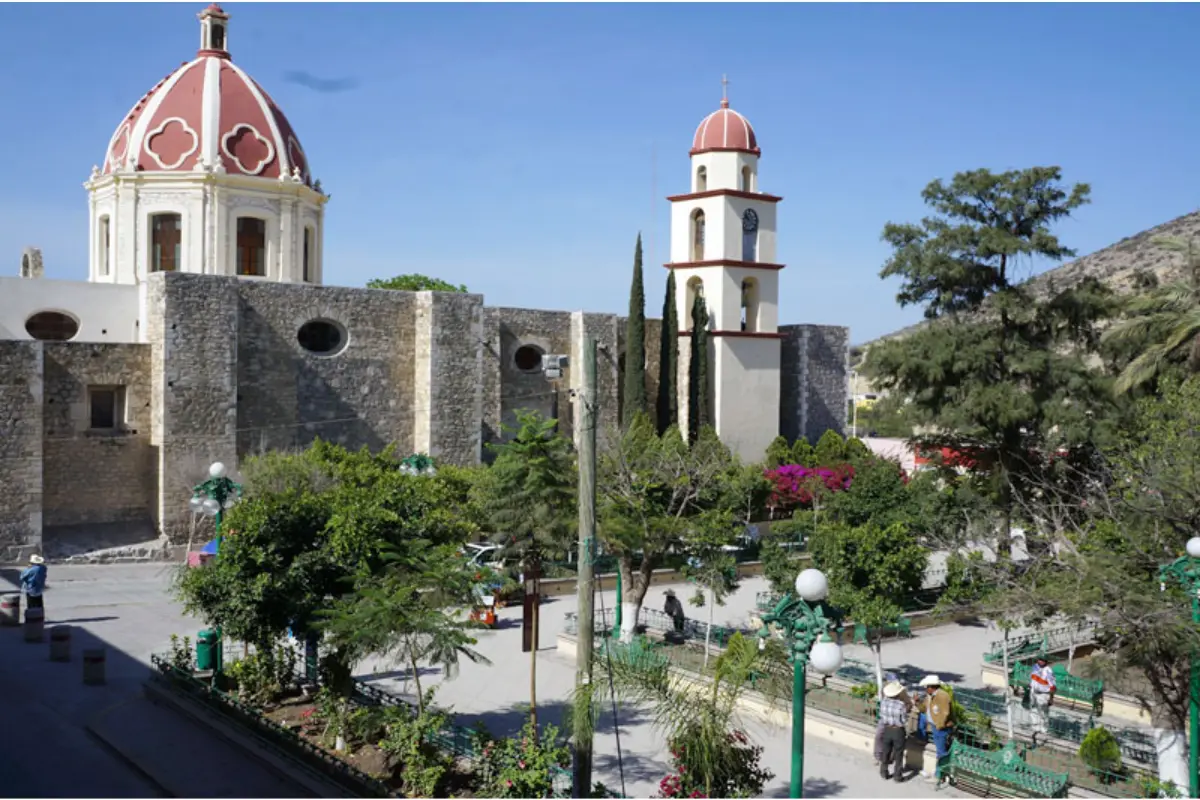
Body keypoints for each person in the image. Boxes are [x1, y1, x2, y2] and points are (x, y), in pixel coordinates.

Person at [918, 675, 953, 783]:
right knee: (939, 750)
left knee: (941, 752)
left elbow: (945, 713)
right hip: (935, 726)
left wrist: (939, 725)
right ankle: (940, 773)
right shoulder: (929, 696)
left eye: (927, 686)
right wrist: (917, 702)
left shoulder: (943, 696)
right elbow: (924, 708)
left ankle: (940, 776)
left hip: (940, 728)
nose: (925, 689)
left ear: (932, 687)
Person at [878, 680, 912, 782]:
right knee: (899, 754)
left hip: (887, 729)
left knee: (886, 751)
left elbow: (882, 717)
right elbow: (904, 720)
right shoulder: (901, 705)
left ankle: (884, 771)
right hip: (898, 731)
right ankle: (897, 775)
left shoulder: (883, 702)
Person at [1029, 657, 1057, 746]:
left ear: (1046, 661)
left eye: (1043, 660)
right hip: (1033, 692)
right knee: (1033, 710)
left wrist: (1051, 698)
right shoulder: (1035, 667)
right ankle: (1035, 727)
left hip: (1043, 694)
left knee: (1043, 713)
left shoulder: (1048, 671)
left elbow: (1052, 686)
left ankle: (1044, 730)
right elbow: (1032, 679)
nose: (1040, 661)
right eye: (1039, 659)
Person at [874, 671, 900, 764]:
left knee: (891, 739)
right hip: (884, 718)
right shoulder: (884, 688)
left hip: (894, 719)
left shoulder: (899, 690)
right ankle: (878, 756)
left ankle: (889, 757)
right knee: (879, 736)